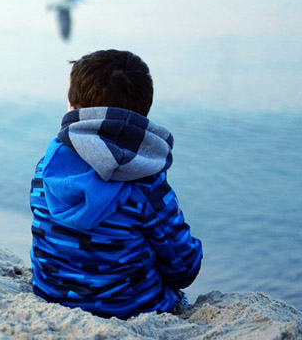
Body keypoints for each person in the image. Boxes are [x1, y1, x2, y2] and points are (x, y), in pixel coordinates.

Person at [29, 49, 202, 319]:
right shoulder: (145, 182)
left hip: (49, 296)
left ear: (73, 109)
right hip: (128, 309)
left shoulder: (46, 166)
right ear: (142, 114)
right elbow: (184, 268)